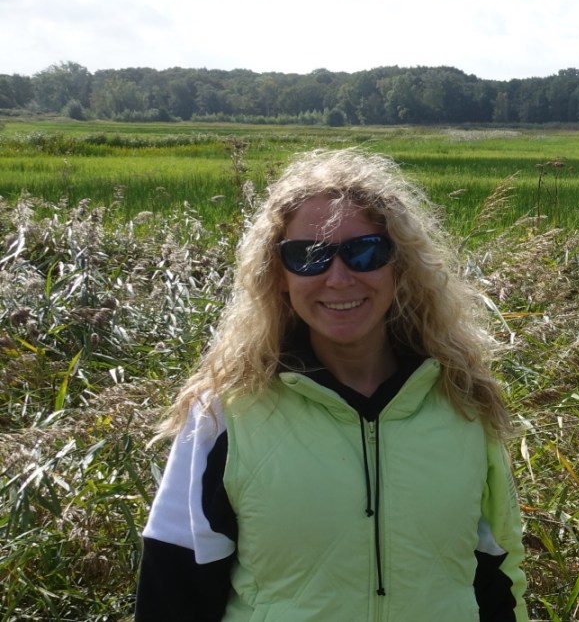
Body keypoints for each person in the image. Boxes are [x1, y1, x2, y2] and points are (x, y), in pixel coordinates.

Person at [135, 148, 527, 621]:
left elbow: (499, 576)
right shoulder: (224, 414)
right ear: (278, 274)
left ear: (399, 266)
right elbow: (172, 592)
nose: (339, 278)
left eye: (365, 251)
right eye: (309, 256)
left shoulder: (463, 403)